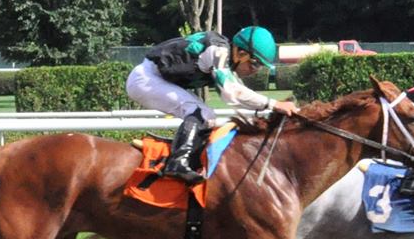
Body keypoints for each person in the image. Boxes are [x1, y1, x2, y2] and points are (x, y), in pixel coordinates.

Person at [125, 26, 292, 184]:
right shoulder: (217, 50)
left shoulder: (225, 58)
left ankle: (189, 160)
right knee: (200, 112)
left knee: (207, 115)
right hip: (146, 79)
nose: (256, 70)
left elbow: (237, 92)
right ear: (241, 53)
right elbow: (231, 93)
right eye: (255, 64)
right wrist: (273, 104)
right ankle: (177, 163)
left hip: (154, 77)